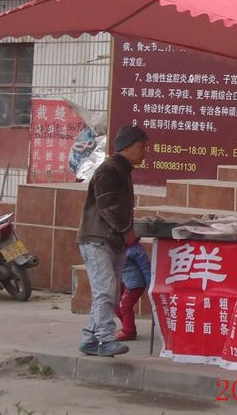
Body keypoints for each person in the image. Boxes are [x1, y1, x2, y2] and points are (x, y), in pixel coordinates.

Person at [76, 124, 148, 357]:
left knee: (109, 292)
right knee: (106, 290)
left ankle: (89, 338)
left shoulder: (122, 170)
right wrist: (127, 230)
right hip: (98, 239)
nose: (144, 151)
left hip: (112, 241)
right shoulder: (109, 170)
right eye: (141, 146)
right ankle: (106, 339)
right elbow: (107, 206)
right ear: (127, 147)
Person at [114, 234, 152, 341]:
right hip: (124, 281)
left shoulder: (136, 250)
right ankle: (126, 327)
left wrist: (150, 285)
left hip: (135, 285)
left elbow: (146, 268)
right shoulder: (120, 248)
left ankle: (129, 331)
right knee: (116, 305)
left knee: (125, 306)